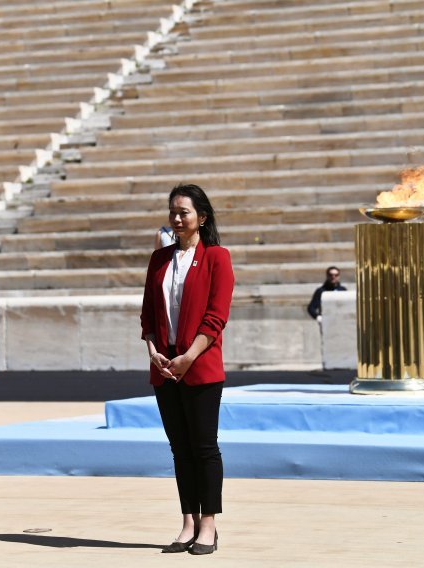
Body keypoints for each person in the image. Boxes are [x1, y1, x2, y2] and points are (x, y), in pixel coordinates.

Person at [140, 184, 234, 556]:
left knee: (204, 447)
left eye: (185, 213)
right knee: (179, 449)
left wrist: (188, 356)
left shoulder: (217, 257)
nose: (177, 219)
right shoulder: (159, 259)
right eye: (173, 213)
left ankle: (208, 523)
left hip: (200, 367)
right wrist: (153, 349)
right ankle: (188, 521)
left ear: (202, 218)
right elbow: (148, 312)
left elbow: (216, 317)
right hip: (164, 368)